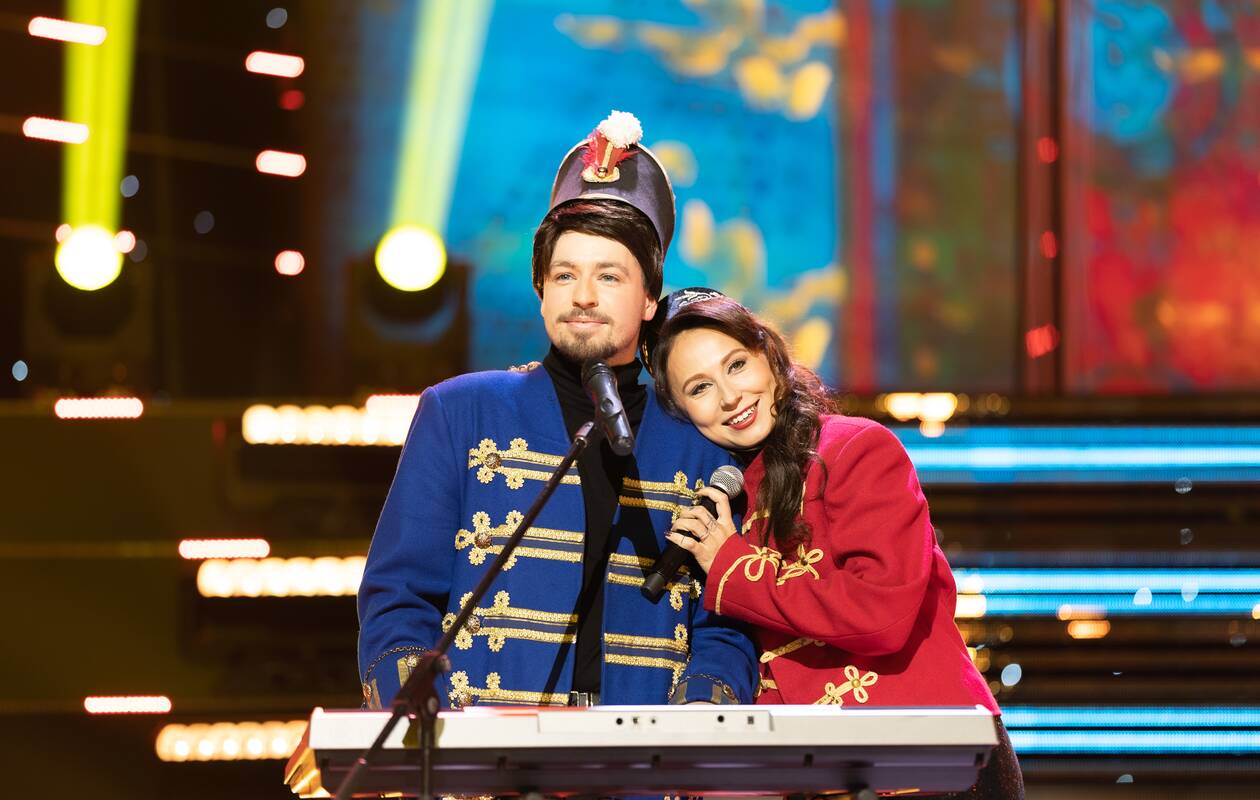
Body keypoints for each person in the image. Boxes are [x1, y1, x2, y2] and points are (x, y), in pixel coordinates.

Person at [356, 114, 757, 712]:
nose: (583, 296)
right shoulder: (460, 413)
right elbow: (399, 598)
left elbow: (725, 622)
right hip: (484, 747)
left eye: (609, 276)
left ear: (650, 298)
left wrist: (700, 712)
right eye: (564, 274)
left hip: (647, 753)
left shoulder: (700, 442)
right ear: (541, 291)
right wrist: (424, 717)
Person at [647, 291, 1025, 798]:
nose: (730, 396)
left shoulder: (857, 448)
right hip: (820, 769)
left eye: (736, 365)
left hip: (932, 758)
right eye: (700, 388)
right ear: (680, 412)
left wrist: (733, 568)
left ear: (769, 356)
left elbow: (882, 614)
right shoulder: (725, 501)